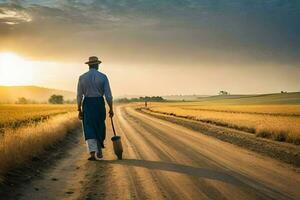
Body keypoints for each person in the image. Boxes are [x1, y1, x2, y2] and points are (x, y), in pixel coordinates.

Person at [77, 56, 114, 161]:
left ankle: (92, 154)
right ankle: (99, 148)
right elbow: (108, 95)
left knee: (89, 127)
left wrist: (79, 109)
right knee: (99, 125)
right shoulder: (103, 77)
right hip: (99, 103)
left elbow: (79, 95)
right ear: (97, 65)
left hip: (87, 103)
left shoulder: (82, 77)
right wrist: (111, 108)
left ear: (89, 65)